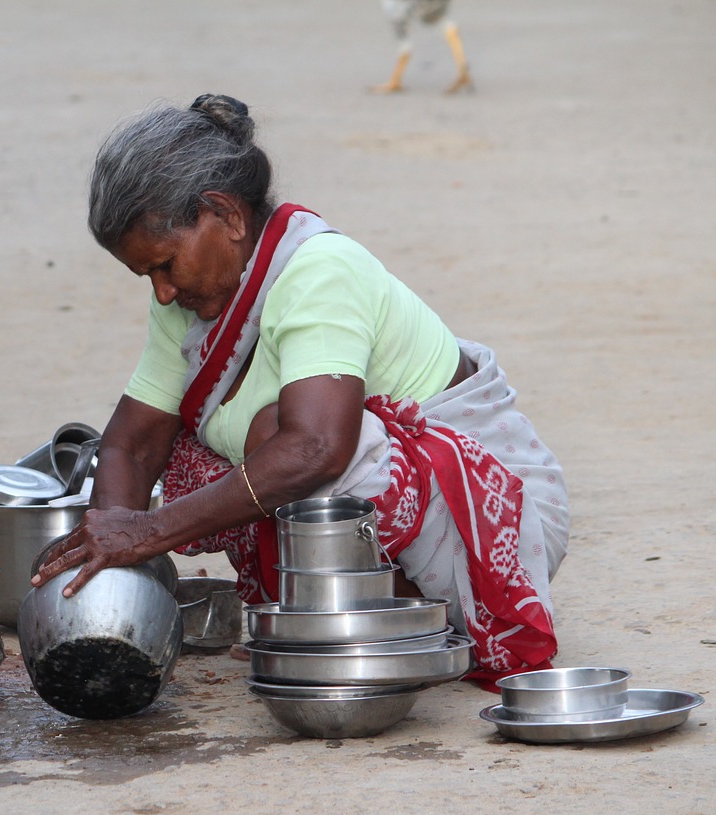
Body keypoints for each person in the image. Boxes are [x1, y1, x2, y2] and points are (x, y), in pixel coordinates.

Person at [33, 94, 569, 682]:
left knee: (279, 435)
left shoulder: (319, 269)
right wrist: (106, 568)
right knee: (198, 447)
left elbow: (319, 448)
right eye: (147, 276)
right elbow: (131, 445)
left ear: (226, 215)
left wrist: (148, 532)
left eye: (165, 265)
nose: (161, 292)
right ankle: (329, 611)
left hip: (502, 532)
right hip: (383, 510)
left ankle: (381, 622)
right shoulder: (188, 301)